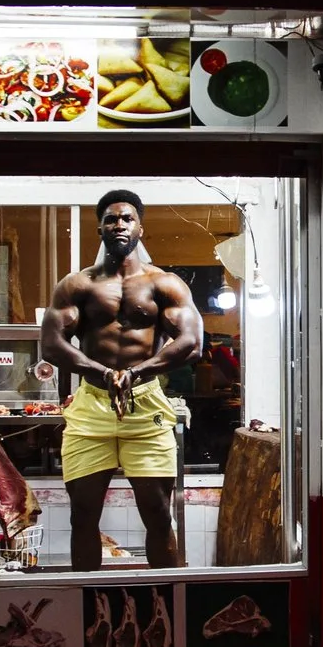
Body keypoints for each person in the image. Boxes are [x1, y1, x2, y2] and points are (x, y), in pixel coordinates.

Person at [39, 190, 202, 571]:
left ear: (140, 227)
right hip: (92, 403)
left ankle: (167, 601)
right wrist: (103, 374)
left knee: (159, 515)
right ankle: (87, 604)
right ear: (99, 228)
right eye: (111, 219)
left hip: (145, 405)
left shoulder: (165, 285)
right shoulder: (77, 285)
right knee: (82, 516)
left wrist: (134, 374)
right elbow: (50, 344)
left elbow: (192, 343)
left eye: (126, 218)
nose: (118, 225)